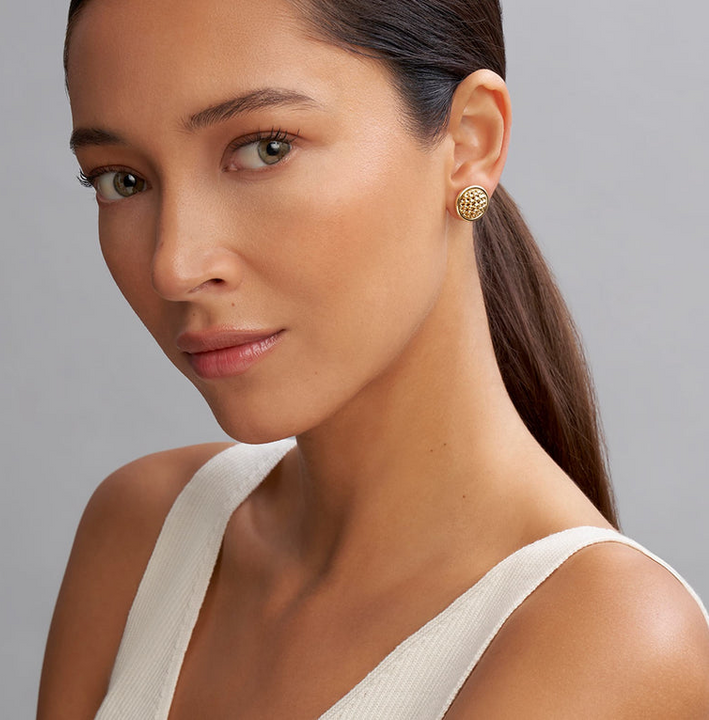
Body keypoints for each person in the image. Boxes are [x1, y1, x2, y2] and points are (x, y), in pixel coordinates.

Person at [38, 0, 709, 717]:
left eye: (266, 147)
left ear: (470, 142)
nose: (174, 264)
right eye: (122, 180)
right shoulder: (143, 532)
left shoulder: (610, 644)